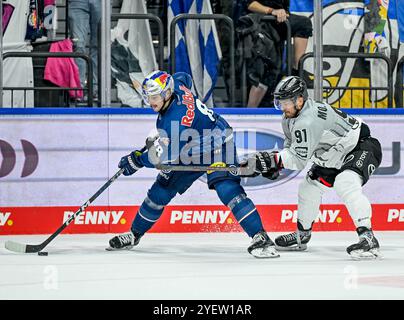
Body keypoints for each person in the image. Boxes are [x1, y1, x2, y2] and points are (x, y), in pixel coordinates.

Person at [107, 70, 279, 258]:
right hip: (189, 146)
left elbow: (164, 156)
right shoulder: (177, 86)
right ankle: (134, 234)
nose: (151, 102)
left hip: (217, 145)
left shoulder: (175, 120)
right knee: (160, 191)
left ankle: (261, 237)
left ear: (166, 93)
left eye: (155, 97)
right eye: (148, 97)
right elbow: (184, 77)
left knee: (227, 188)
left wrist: (136, 160)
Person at [247, 76, 382, 259]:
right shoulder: (289, 118)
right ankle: (302, 235)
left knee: (346, 183)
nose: (283, 107)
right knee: (308, 187)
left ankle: (368, 237)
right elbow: (291, 147)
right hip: (332, 155)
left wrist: (271, 160)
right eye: (280, 102)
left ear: (300, 100)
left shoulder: (308, 119)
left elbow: (298, 160)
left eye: (286, 102)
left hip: (360, 146)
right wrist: (275, 164)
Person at [246, 0, 312, 107]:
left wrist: (279, 11)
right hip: (260, 23)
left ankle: (296, 73)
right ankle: (248, 112)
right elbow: (250, 4)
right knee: (265, 71)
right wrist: (272, 11)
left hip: (277, 23)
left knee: (273, 71)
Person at [68, 0, 101, 99]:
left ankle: (95, 89)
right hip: (77, 1)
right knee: (78, 45)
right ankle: (78, 89)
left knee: (99, 45)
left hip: (102, 2)